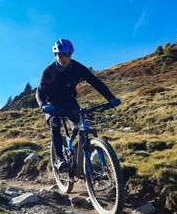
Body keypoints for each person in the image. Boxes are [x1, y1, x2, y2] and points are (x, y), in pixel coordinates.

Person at [36, 38, 121, 172]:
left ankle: (78, 157)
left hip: (69, 101)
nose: (65, 58)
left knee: (81, 127)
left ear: (71, 55)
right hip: (52, 103)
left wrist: (110, 97)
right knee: (55, 124)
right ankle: (59, 159)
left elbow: (95, 81)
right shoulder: (49, 72)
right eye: (61, 55)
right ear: (55, 55)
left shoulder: (76, 67)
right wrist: (43, 106)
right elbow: (40, 92)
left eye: (68, 55)